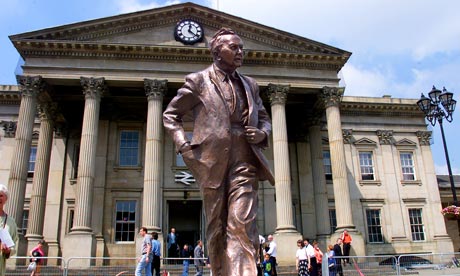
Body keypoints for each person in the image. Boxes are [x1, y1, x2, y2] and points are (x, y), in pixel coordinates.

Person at [163, 27, 274, 276]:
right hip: (211, 162)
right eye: (234, 47)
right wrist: (184, 146)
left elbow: (265, 118)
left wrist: (263, 133)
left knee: (242, 223)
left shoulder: (250, 85)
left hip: (244, 158)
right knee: (216, 226)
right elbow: (171, 116)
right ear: (216, 51)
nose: (240, 52)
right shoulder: (198, 81)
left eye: (241, 47)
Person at [0, 184, 18, 276]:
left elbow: (14, 244)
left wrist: (8, 251)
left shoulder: (11, 222)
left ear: (5, 199)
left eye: (1, 195)